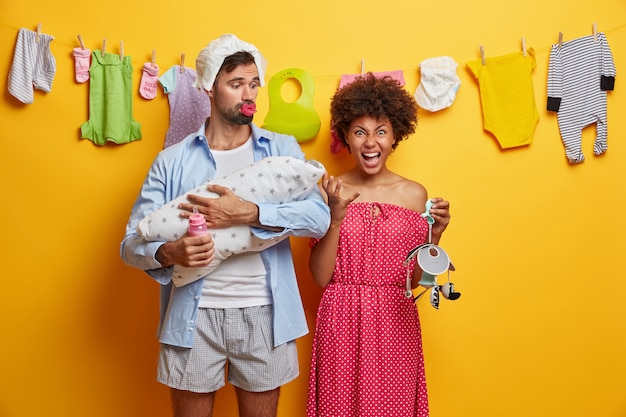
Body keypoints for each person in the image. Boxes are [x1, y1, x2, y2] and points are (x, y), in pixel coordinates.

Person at [120, 34, 330, 417]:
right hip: (192, 318)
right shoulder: (172, 161)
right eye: (236, 85)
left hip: (266, 314)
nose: (249, 94)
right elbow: (130, 244)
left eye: (253, 84)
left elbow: (319, 218)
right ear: (208, 88)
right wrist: (169, 252)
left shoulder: (282, 150)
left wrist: (250, 213)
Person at [306, 73, 451, 417]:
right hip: (339, 319)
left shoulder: (415, 195)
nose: (371, 142)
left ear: (395, 136)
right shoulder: (330, 190)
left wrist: (437, 236)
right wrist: (336, 217)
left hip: (395, 319)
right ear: (346, 137)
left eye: (381, 131)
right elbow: (320, 278)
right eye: (360, 132)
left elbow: (415, 280)